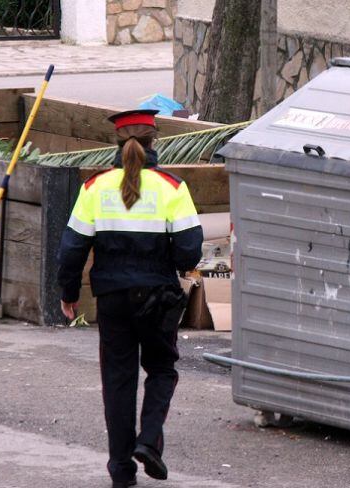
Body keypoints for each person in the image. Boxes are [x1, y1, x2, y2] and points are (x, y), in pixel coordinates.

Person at [57, 109, 203, 488]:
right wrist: (173, 263)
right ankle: (149, 441)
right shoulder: (172, 188)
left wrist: (68, 293)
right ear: (154, 141)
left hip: (112, 299)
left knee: (118, 381)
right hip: (157, 296)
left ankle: (122, 471)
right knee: (162, 368)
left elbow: (72, 248)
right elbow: (189, 251)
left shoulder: (94, 187)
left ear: (117, 143)